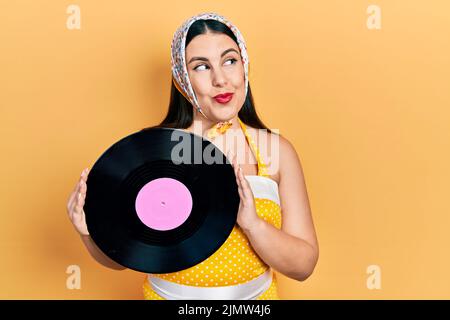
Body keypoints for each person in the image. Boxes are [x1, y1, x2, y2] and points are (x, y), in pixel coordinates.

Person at [66, 12, 319, 300]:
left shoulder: (277, 151)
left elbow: (304, 266)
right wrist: (89, 234)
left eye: (230, 61)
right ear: (181, 80)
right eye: (201, 67)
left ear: (244, 66)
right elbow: (126, 256)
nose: (220, 79)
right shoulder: (155, 152)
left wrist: (253, 225)